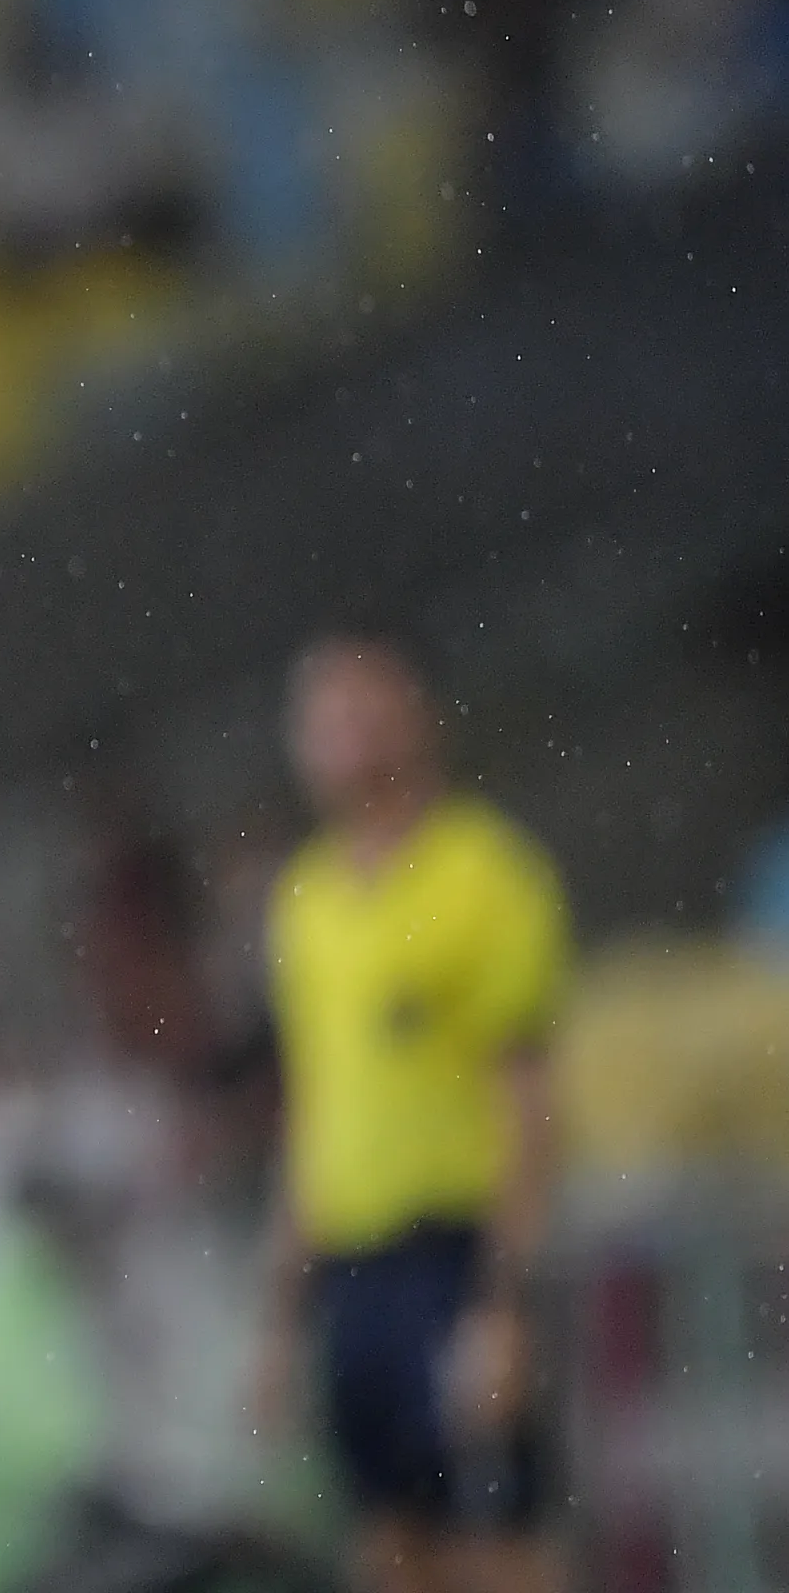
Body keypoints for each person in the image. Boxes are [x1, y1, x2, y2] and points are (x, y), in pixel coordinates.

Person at [256, 636, 566, 1593]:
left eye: (368, 709)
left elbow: (532, 1102)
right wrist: (278, 1315)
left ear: (419, 717)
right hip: (357, 1276)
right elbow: (311, 1115)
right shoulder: (304, 905)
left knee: (500, 1549)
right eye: (328, 718)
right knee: (388, 1549)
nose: (349, 737)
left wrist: (503, 1303)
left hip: (454, 1257)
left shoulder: (485, 875)